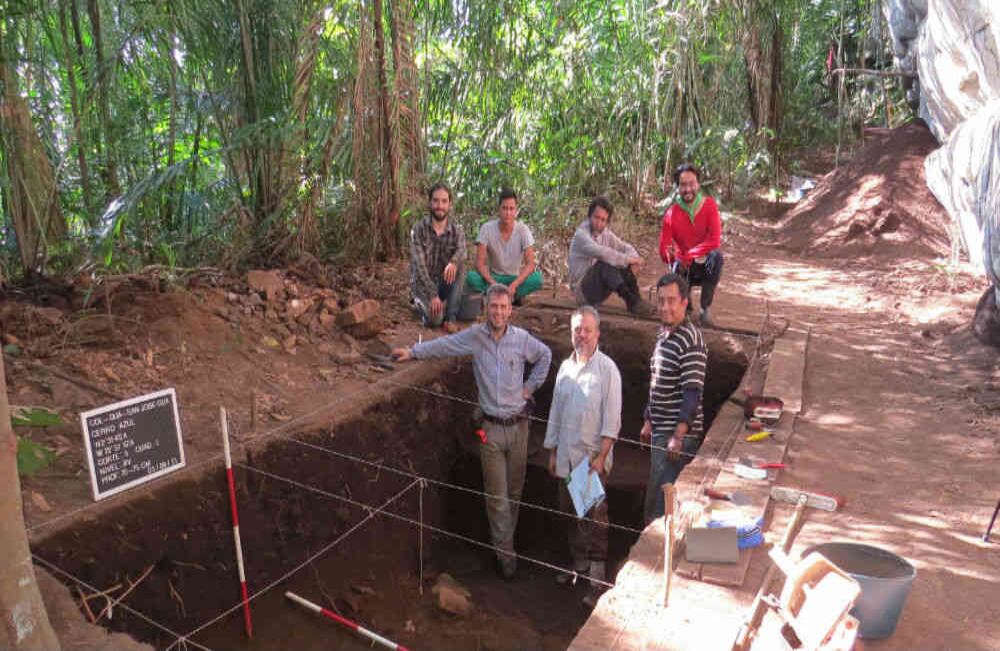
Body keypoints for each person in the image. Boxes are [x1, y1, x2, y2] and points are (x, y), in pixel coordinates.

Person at [392, 284, 552, 579]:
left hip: (520, 428)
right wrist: (413, 352)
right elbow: (444, 346)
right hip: (489, 431)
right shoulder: (476, 338)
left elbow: (545, 355)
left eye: (504, 307)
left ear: (510, 310)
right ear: (486, 309)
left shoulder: (521, 340)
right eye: (494, 307)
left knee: (514, 493)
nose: (499, 312)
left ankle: (506, 543)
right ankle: (507, 560)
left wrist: (530, 387)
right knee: (497, 498)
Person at [544, 305, 621, 607]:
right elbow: (555, 411)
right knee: (567, 515)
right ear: (571, 332)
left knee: (594, 523)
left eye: (588, 329)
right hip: (565, 457)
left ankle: (597, 583)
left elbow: (612, 420)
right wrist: (551, 451)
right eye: (577, 329)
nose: (582, 335)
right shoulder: (565, 367)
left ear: (597, 333)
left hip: (590, 461)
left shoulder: (607, 370)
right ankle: (578, 569)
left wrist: (601, 458)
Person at [641, 273, 706, 524]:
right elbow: (656, 381)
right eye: (661, 301)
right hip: (660, 430)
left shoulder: (691, 338)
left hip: (676, 436)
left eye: (671, 301)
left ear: (684, 302)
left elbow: (692, 391)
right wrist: (648, 419)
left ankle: (656, 553)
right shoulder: (664, 333)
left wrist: (678, 436)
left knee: (662, 503)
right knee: (656, 493)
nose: (665, 307)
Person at [658, 164, 723, 327]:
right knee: (676, 266)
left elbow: (715, 240)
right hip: (683, 267)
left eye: (691, 184)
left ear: (698, 184)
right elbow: (663, 250)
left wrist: (690, 254)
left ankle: (705, 308)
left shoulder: (709, 206)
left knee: (716, 257)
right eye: (683, 185)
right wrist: (672, 255)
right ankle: (686, 305)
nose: (688, 189)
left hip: (703, 264)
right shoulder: (671, 213)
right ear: (677, 187)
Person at [568, 196, 653, 315]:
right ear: (589, 216)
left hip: (598, 290)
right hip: (582, 292)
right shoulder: (581, 235)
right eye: (596, 218)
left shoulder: (605, 233)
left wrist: (634, 260)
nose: (599, 223)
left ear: (607, 222)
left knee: (620, 261)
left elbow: (624, 247)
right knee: (607, 262)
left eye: (603, 220)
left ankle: (636, 301)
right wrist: (629, 260)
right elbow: (604, 253)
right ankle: (631, 300)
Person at [466, 188, 543, 304]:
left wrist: (514, 285)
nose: (508, 213)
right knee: (471, 277)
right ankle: (507, 296)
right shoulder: (487, 228)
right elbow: (479, 264)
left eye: (511, 209)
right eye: (505, 208)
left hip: (514, 279)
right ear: (499, 209)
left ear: (516, 210)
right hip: (495, 278)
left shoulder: (523, 230)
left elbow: (531, 264)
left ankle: (505, 294)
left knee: (537, 279)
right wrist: (494, 284)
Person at [410, 182, 467, 333]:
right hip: (424, 285)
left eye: (444, 201)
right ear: (429, 202)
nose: (439, 206)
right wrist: (432, 294)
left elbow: (462, 250)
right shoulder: (418, 229)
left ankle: (450, 318)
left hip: (443, 282)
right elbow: (420, 268)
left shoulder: (457, 230)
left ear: (449, 204)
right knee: (435, 320)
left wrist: (453, 262)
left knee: (460, 265)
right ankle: (420, 304)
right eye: (435, 201)